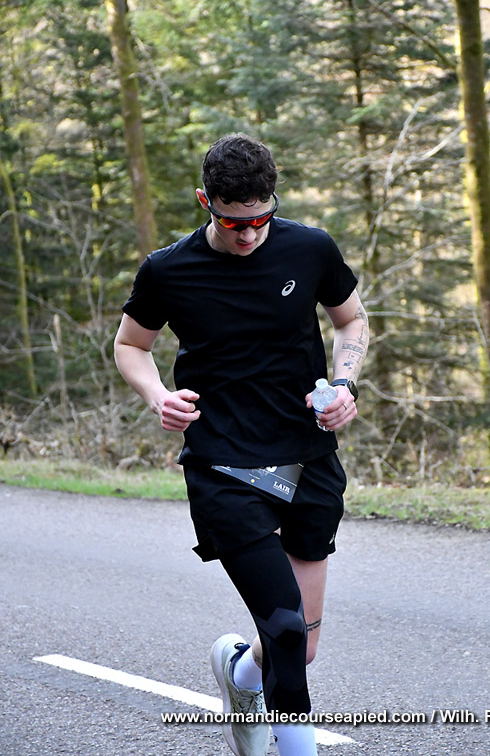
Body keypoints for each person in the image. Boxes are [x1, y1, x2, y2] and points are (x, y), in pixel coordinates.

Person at [114, 133, 369, 756]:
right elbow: (130, 345)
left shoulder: (310, 248)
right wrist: (158, 396)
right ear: (207, 202)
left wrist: (344, 384)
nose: (249, 234)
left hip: (308, 456)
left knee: (300, 646)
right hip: (222, 463)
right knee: (283, 626)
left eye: (261, 219)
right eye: (234, 222)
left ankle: (241, 675)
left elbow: (351, 320)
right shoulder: (168, 269)